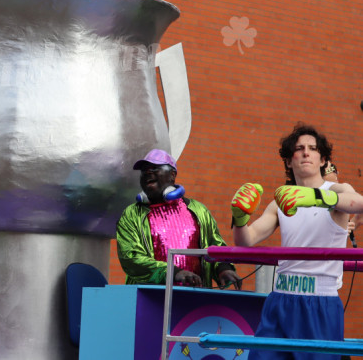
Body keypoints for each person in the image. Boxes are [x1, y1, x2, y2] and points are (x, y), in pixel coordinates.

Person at [231, 124, 363, 360]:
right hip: (280, 299)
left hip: (319, 303)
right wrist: (239, 219)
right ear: (289, 161)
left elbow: (358, 202)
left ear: (323, 160)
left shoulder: (336, 190)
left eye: (313, 148)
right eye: (299, 148)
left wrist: (317, 197)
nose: (306, 153)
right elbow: (246, 240)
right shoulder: (280, 201)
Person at [116, 149, 241, 288]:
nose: (148, 172)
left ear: (172, 175)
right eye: (144, 170)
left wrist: (223, 268)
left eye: (155, 168)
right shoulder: (131, 214)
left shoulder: (198, 210)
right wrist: (173, 272)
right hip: (149, 297)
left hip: (195, 297)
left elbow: (214, 246)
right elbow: (131, 258)